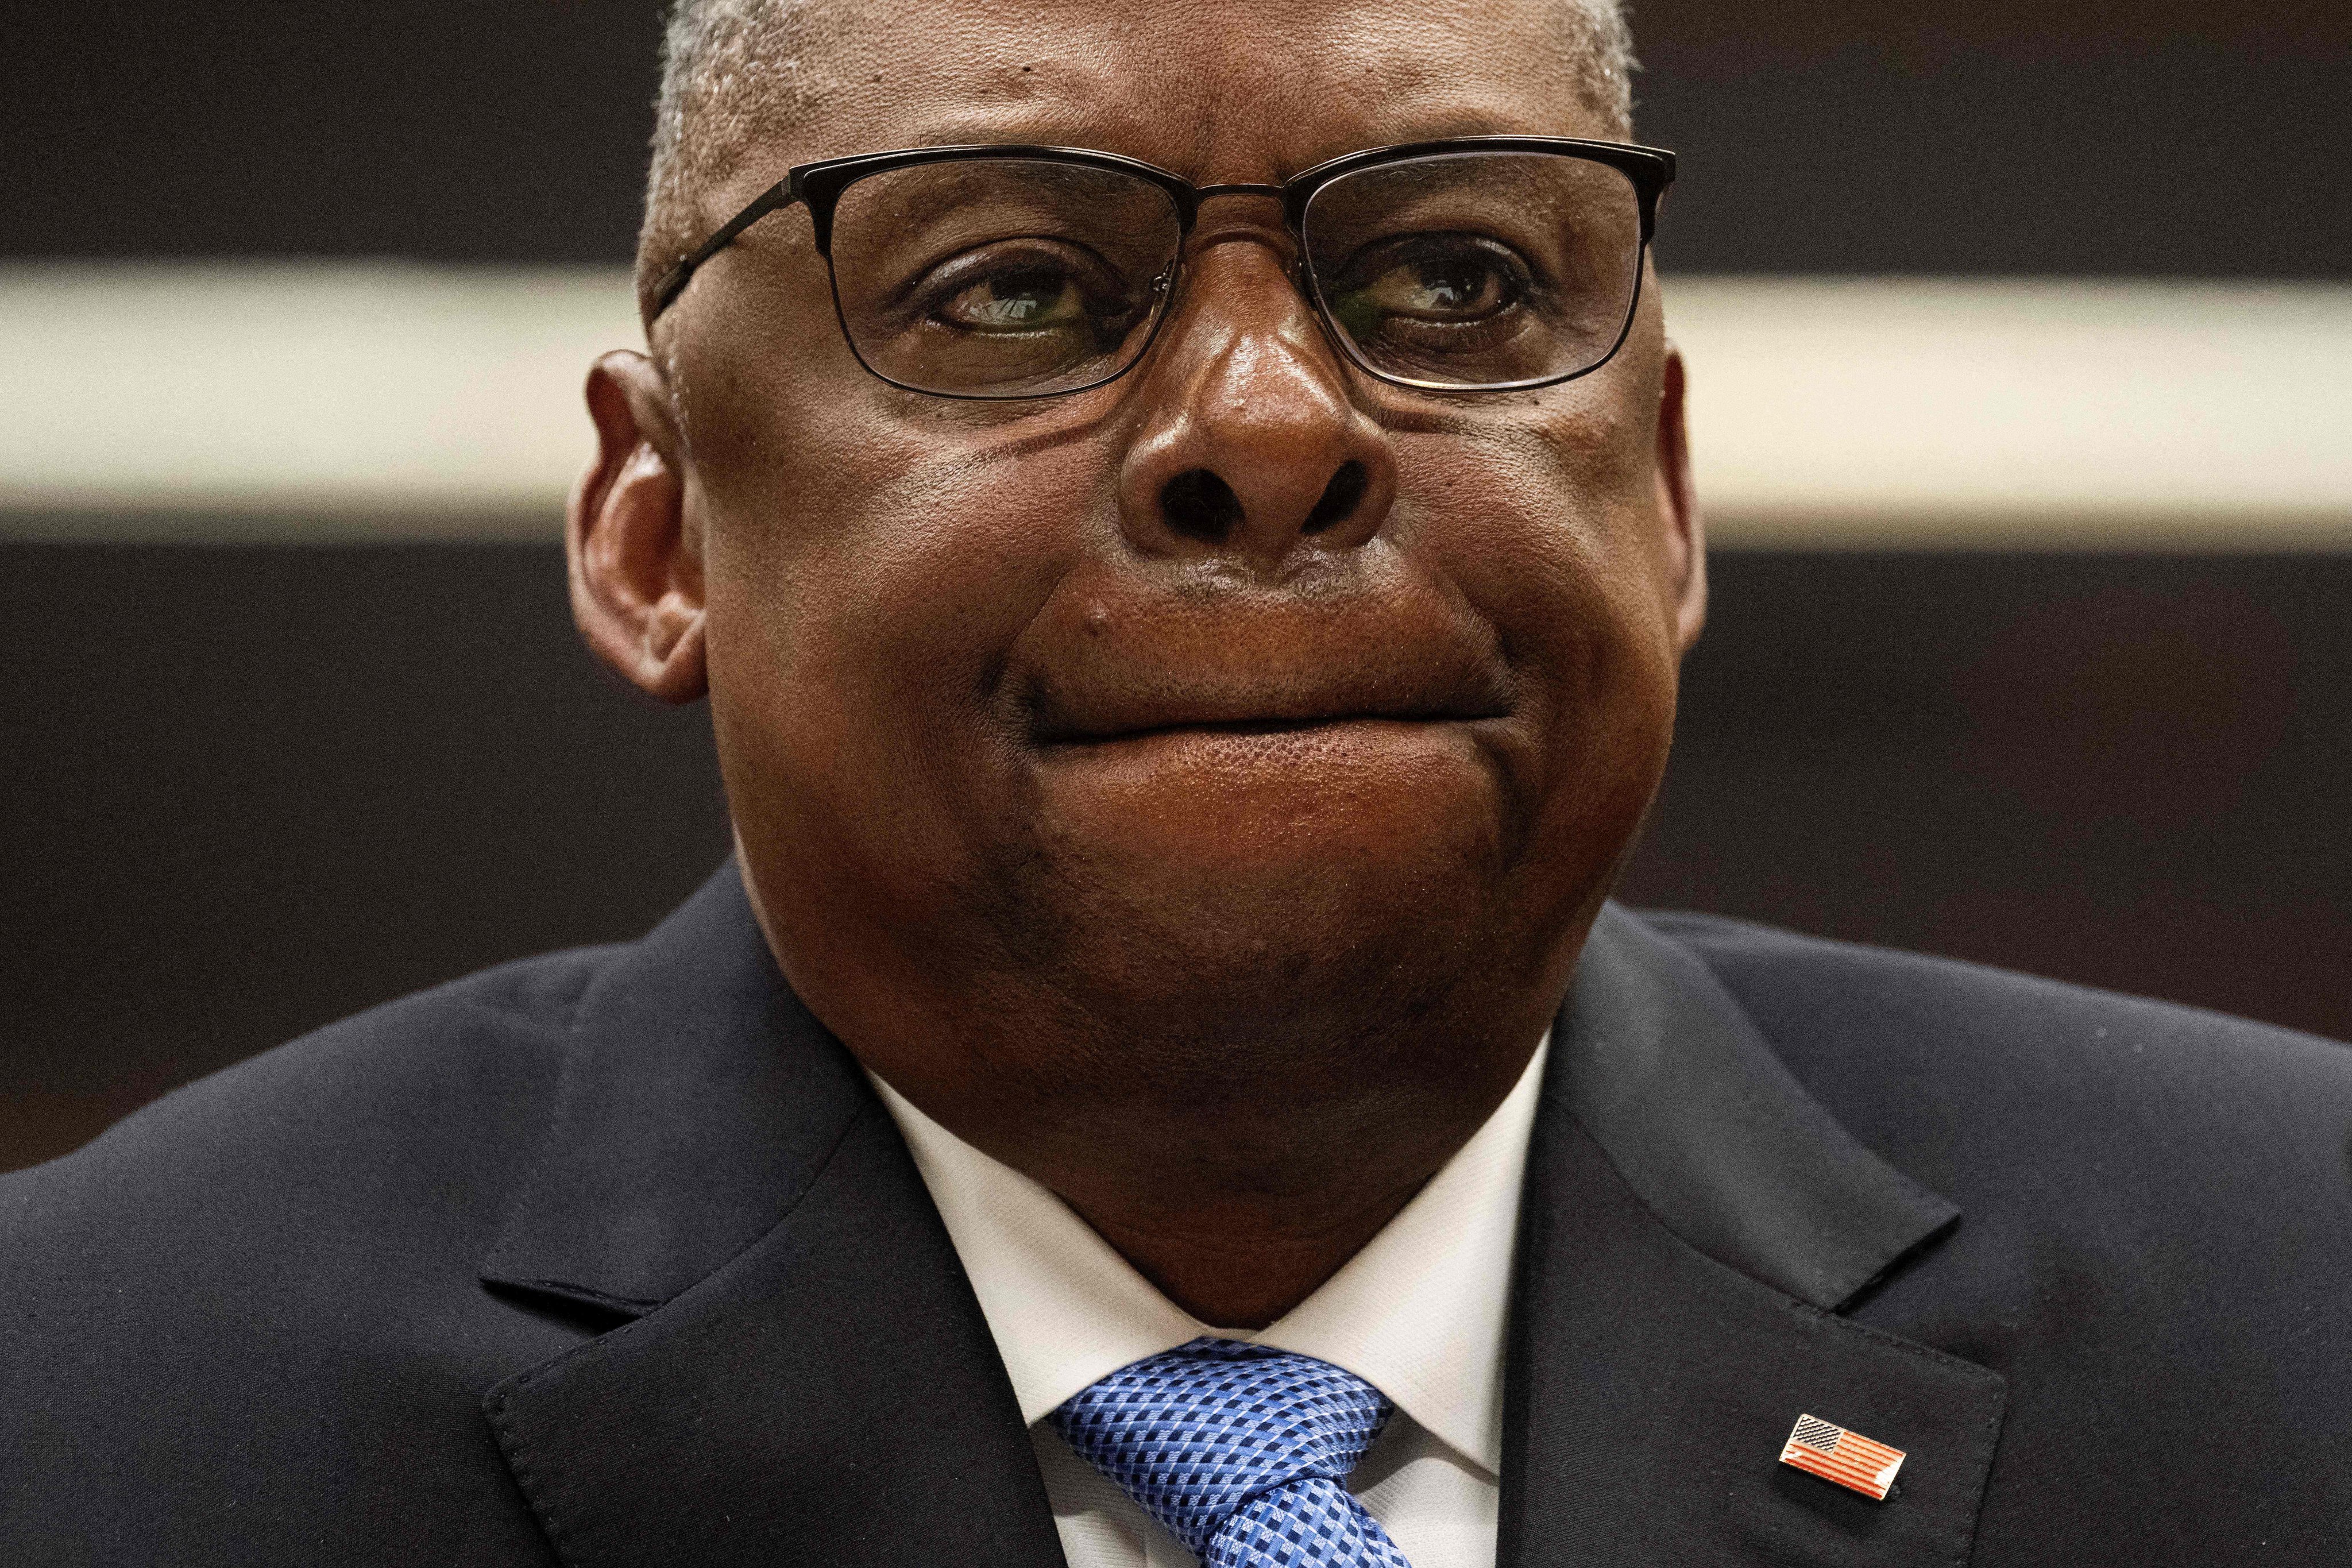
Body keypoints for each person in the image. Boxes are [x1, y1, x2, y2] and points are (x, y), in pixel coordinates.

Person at [5, 0, 2349, 1561]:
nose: (1266, 430)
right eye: (1013, 290)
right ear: (657, 526)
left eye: (1448, 280)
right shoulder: (95, 1419)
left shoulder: (2297, 1314)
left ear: (1663, 491)